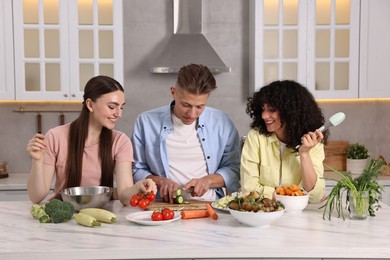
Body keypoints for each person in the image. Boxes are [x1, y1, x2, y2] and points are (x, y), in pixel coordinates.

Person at [26, 75, 157, 205]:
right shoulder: (55, 136)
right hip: (63, 215)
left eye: (121, 107)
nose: (119, 113)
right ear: (90, 104)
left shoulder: (120, 142)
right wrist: (37, 160)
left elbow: (124, 196)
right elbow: (36, 197)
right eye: (112, 107)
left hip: (102, 216)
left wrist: (138, 187)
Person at [131, 64, 240, 203]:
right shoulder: (145, 122)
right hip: (162, 206)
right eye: (186, 105)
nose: (192, 114)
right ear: (173, 92)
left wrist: (208, 181)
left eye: (200, 107)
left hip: (209, 205)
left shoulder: (223, 122)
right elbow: (136, 170)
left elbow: (234, 168)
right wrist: (161, 182)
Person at [240, 80, 328, 203]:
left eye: (271, 109)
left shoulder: (312, 142)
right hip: (263, 213)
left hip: (298, 216)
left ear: (290, 111)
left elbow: (315, 196)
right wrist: (290, 195)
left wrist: (304, 154)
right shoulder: (255, 137)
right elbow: (248, 189)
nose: (264, 115)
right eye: (263, 109)